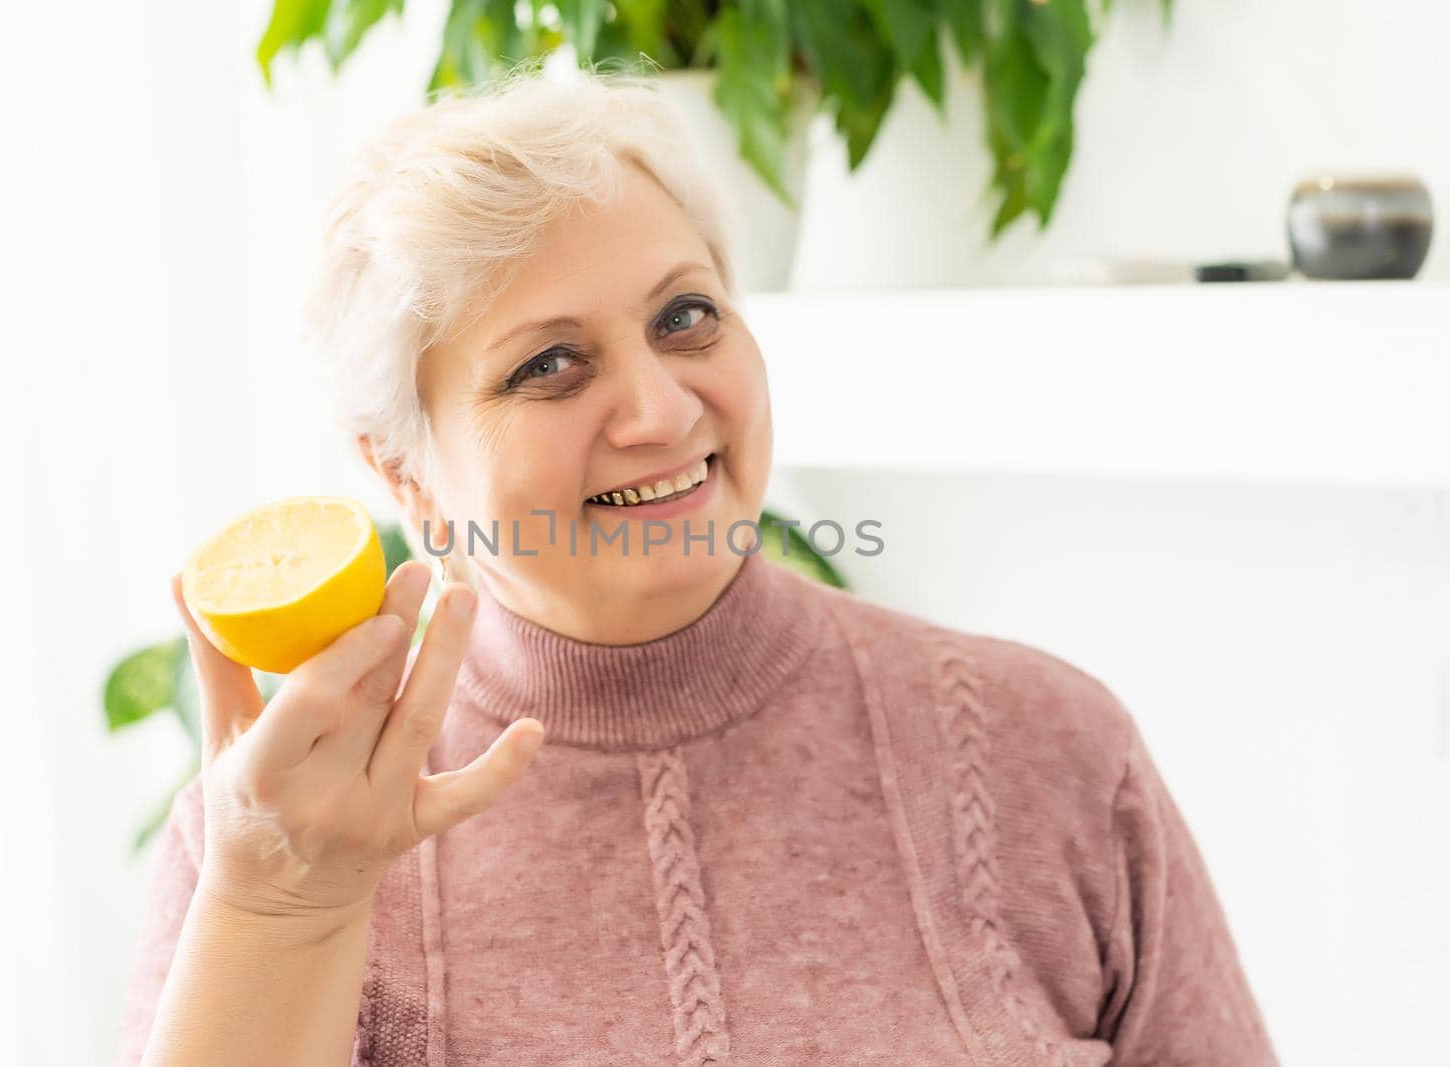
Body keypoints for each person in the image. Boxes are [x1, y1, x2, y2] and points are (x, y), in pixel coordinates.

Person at [117, 65, 1282, 1067]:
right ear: (407, 472)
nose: (661, 409)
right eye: (552, 365)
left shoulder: (1053, 747)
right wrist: (280, 904)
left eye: (685, 317)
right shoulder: (285, 837)